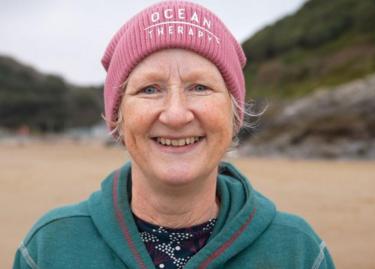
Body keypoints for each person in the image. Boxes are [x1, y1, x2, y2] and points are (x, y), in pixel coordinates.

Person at [13, 1, 335, 268]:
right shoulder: (48, 249)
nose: (176, 115)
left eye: (200, 87)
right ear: (117, 118)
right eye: (150, 89)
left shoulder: (299, 252)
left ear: (234, 113)